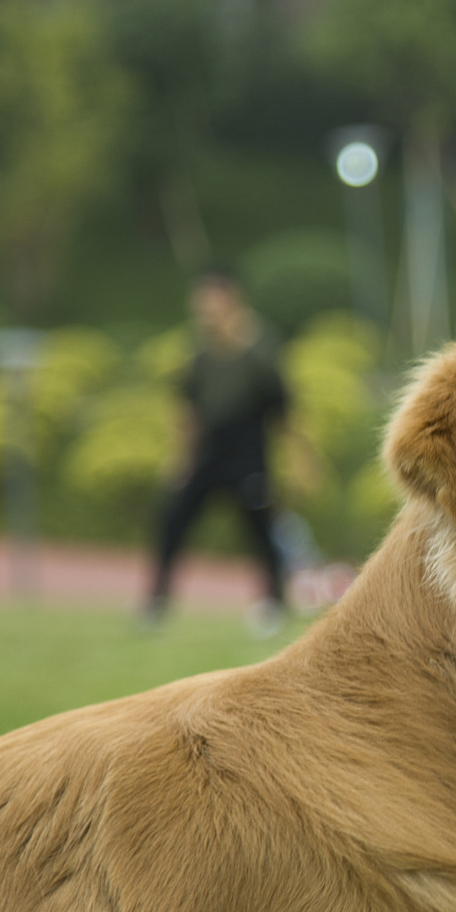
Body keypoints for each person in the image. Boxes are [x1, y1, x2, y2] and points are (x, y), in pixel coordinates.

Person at [145, 266, 311, 636]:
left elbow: (283, 411)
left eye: (210, 301)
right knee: (172, 522)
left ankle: (273, 605)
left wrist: (301, 459)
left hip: (249, 456)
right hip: (208, 456)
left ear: (231, 300)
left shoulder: (261, 352)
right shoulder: (200, 354)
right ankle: (155, 604)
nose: (203, 310)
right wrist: (180, 460)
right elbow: (188, 409)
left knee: (259, 531)